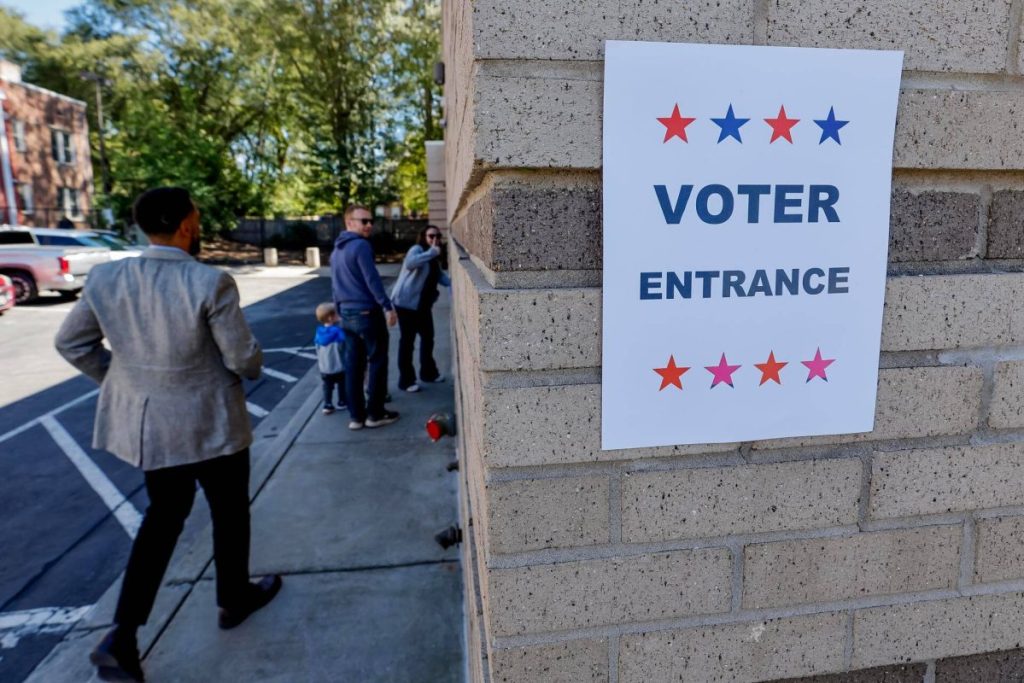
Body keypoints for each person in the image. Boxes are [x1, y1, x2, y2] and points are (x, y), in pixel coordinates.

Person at [54, 187, 282, 683]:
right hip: (214, 425)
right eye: (196, 220)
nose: (197, 227)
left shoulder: (109, 278)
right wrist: (254, 364)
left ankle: (123, 635)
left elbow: (71, 343)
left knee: (161, 522)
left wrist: (127, 381)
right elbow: (243, 358)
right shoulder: (210, 282)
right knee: (228, 513)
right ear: (185, 226)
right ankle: (233, 598)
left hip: (154, 430)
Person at [330, 204, 400, 430]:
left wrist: (339, 310)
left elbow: (335, 284)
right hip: (367, 313)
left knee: (353, 367)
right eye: (364, 221)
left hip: (347, 315)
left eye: (371, 221)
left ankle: (356, 417)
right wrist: (387, 306)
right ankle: (375, 414)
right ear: (350, 223)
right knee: (377, 361)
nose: (369, 225)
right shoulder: (360, 246)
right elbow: (372, 280)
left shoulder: (337, 250)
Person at [390, 226, 450, 392]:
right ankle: (406, 381)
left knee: (428, 339)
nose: (435, 238)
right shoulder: (417, 250)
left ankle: (428, 373)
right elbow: (410, 263)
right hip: (406, 305)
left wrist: (454, 284)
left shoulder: (433, 256)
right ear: (423, 236)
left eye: (438, 235)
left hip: (423, 306)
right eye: (431, 235)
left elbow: (439, 276)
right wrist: (432, 252)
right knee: (407, 343)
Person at [314, 301, 347, 415]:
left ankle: (327, 404)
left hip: (324, 367)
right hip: (339, 366)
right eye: (337, 314)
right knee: (342, 384)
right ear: (330, 318)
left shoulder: (319, 333)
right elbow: (344, 344)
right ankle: (342, 401)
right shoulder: (338, 332)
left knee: (327, 386)